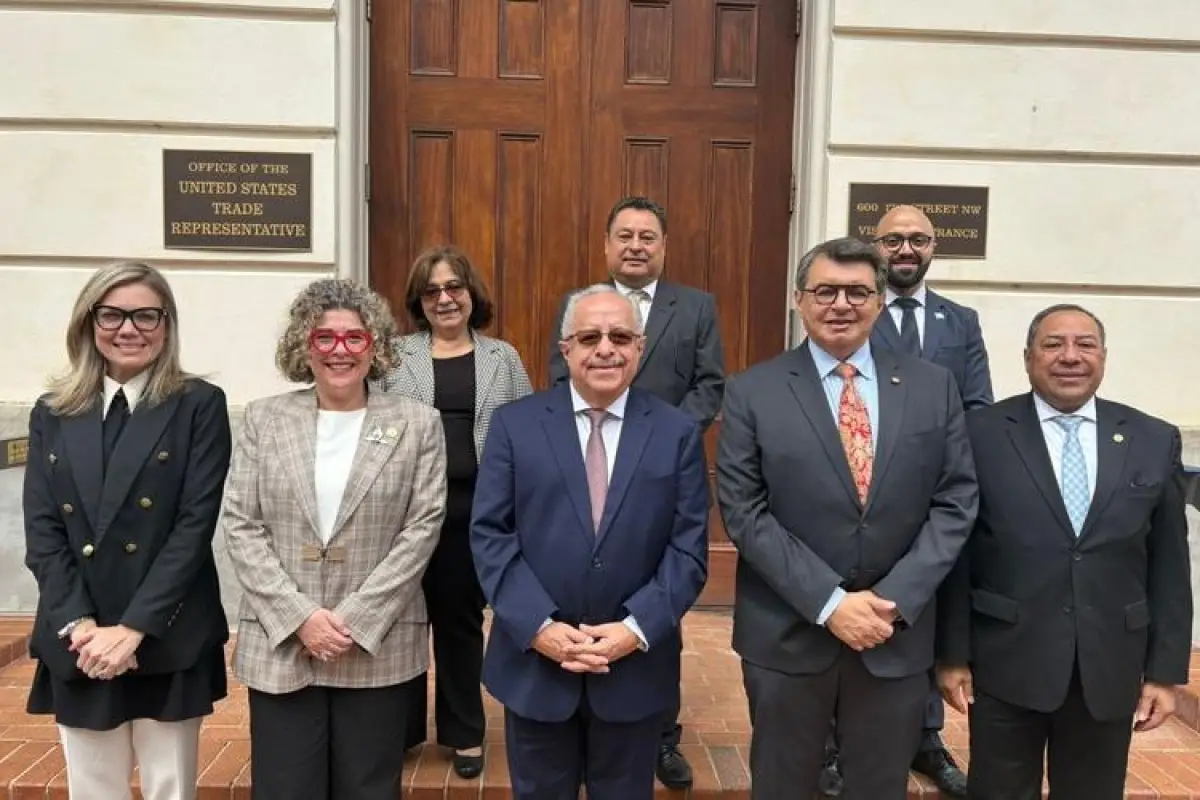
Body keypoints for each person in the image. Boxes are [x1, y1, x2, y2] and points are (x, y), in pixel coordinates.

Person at [717, 237, 978, 800]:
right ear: (799, 299)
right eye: (825, 290)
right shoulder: (751, 391)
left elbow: (955, 501)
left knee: (879, 788)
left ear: (879, 302)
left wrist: (894, 601)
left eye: (858, 291)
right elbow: (744, 510)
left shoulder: (934, 388)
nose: (841, 303)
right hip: (787, 637)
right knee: (784, 786)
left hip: (894, 634)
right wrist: (831, 603)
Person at [937, 304, 1192, 800]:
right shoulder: (979, 433)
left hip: (1109, 666)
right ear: (1028, 358)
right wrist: (951, 655)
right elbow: (957, 553)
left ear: (1104, 357)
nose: (1070, 357)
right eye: (1053, 345)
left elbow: (1168, 564)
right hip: (1006, 660)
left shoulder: (1152, 438)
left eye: (1085, 345)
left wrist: (1164, 673)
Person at [475, 284, 710, 799]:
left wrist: (634, 628)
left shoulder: (676, 433)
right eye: (590, 336)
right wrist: (539, 627)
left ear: (640, 347)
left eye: (620, 336)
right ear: (567, 349)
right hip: (536, 665)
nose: (606, 348)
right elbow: (491, 535)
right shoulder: (515, 425)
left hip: (634, 669)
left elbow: (688, 549)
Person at [221, 279, 446, 799]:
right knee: (284, 788)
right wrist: (301, 618)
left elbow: (423, 527)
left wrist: (355, 619)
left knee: (368, 788)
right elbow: (241, 523)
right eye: (324, 338)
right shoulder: (264, 418)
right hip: (283, 643)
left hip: (375, 643)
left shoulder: (418, 424)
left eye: (354, 339)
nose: (339, 351)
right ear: (305, 346)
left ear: (377, 346)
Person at [23, 261, 232, 799]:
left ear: (166, 325)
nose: (128, 329)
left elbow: (193, 526)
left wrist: (134, 628)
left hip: (166, 632)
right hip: (82, 640)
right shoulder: (53, 409)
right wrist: (81, 626)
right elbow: (43, 528)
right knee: (93, 791)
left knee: (170, 789)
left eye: (145, 315)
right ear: (89, 323)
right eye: (112, 314)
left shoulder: (199, 405)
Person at [547, 195, 724, 788]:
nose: (636, 245)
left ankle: (662, 737)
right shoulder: (580, 308)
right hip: (589, 460)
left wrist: (659, 432)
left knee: (658, 599)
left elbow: (710, 384)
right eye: (624, 235)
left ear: (663, 247)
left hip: (663, 468)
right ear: (606, 245)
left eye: (648, 236)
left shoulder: (696, 307)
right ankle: (576, 719)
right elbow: (558, 377)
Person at [820, 204, 993, 797]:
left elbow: (976, 409)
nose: (905, 249)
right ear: (877, 245)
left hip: (935, 502)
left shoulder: (959, 321)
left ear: (933, 247)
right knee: (854, 620)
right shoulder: (850, 309)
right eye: (893, 239)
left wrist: (951, 485)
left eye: (917, 239)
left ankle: (926, 738)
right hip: (864, 495)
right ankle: (838, 742)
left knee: (925, 620)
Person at [379, 245, 533, 778]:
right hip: (405, 509)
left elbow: (527, 433)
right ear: (419, 303)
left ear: (472, 295)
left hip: (475, 510)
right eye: (432, 291)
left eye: (454, 288)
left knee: (459, 621)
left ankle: (464, 731)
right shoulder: (394, 357)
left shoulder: (503, 358)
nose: (445, 299)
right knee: (398, 620)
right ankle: (398, 732)